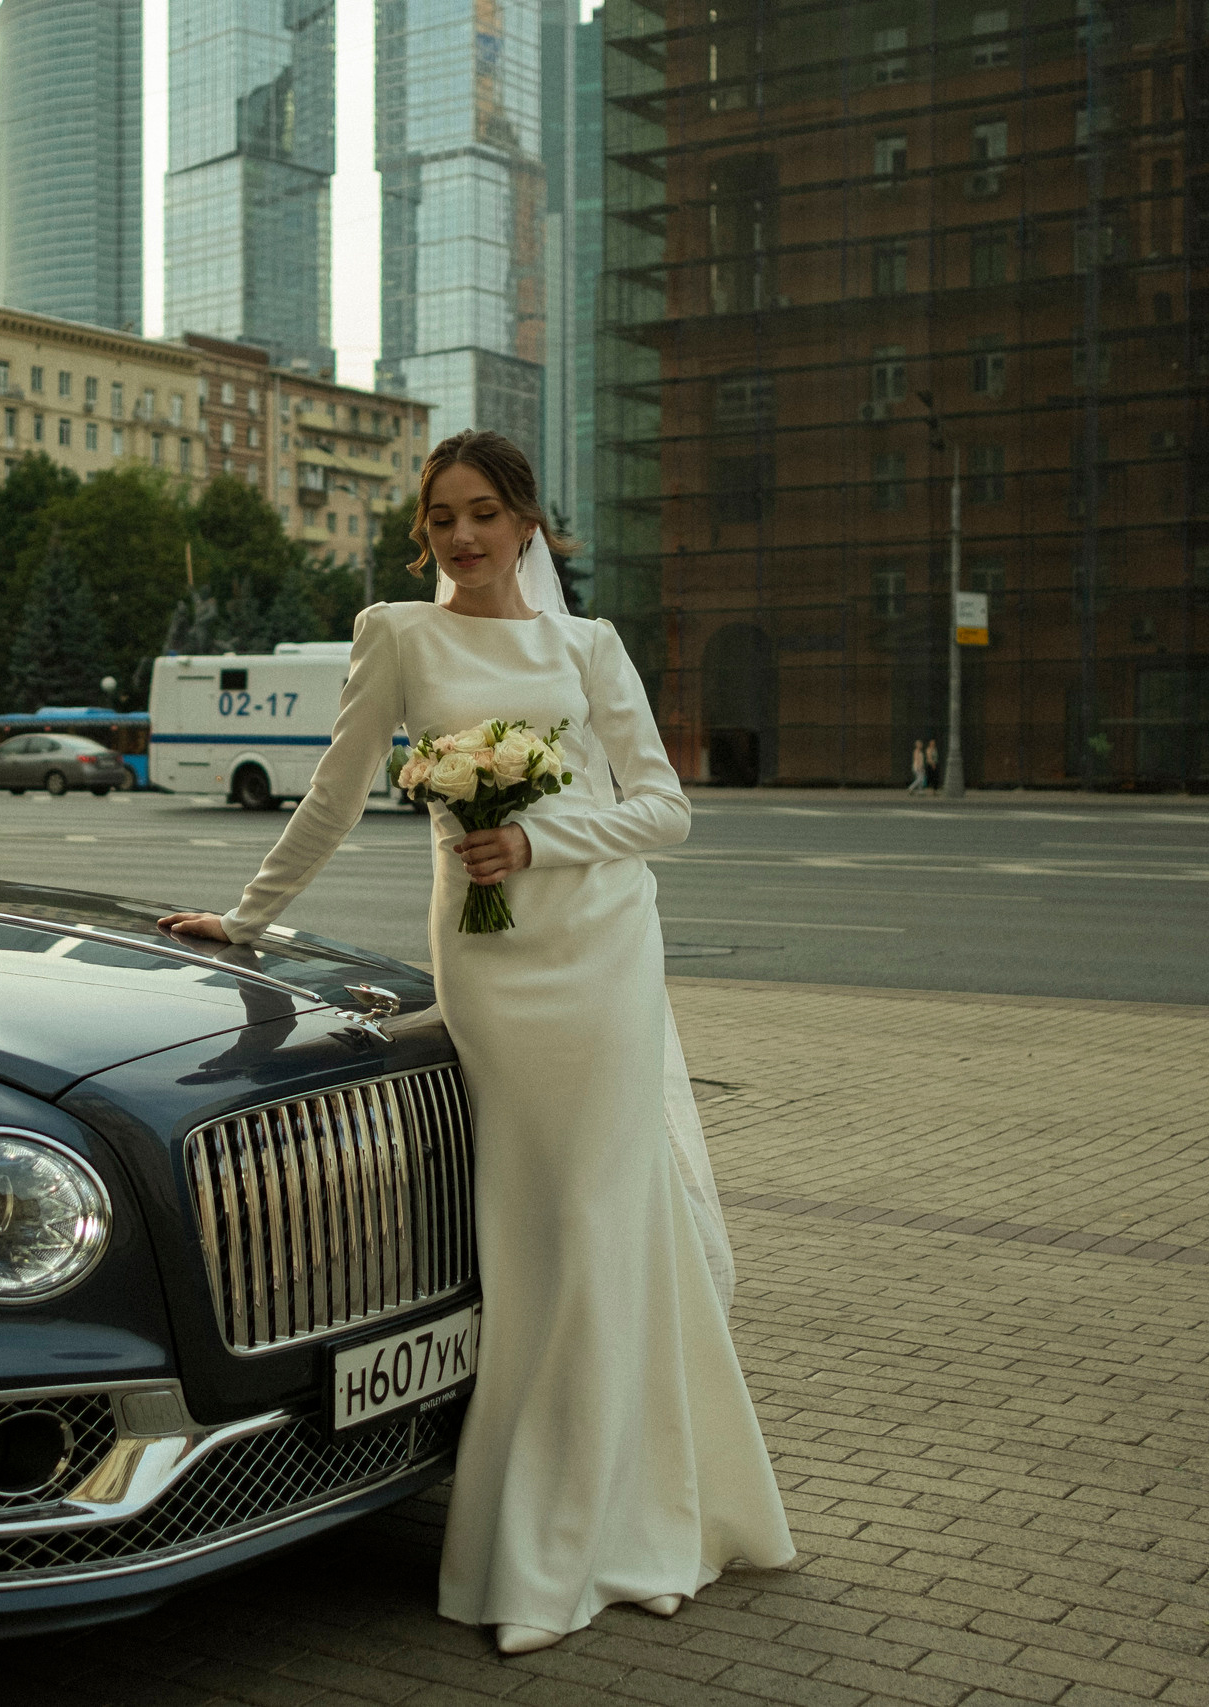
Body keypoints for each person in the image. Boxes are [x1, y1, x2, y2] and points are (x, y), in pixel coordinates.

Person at [160, 431, 793, 1655]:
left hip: (600, 948)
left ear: (527, 524)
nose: (461, 538)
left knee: (610, 1217)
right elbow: (335, 795)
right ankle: (550, 1522)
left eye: (484, 515)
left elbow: (665, 809)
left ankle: (635, 1512)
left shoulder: (588, 646)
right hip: (495, 964)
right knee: (542, 1221)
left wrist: (543, 843)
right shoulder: (395, 635)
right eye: (441, 517)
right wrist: (244, 920)